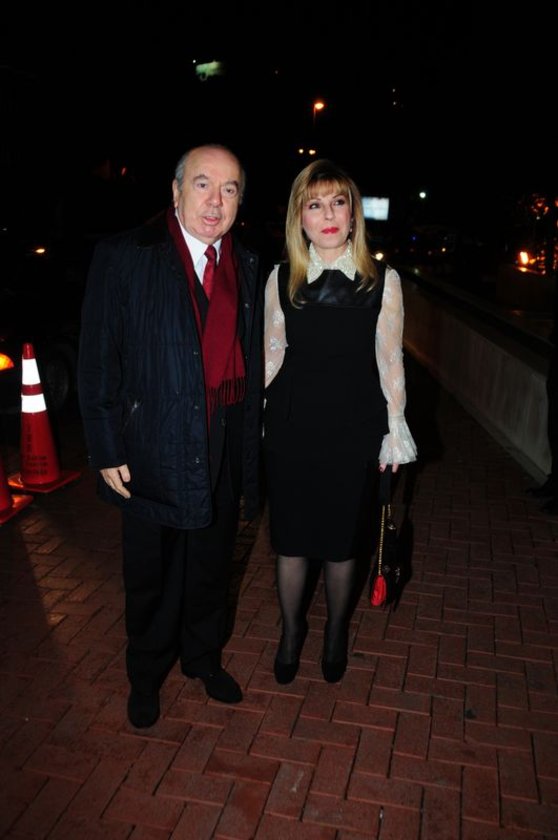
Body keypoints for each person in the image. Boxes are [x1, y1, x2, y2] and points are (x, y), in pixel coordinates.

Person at [78, 144, 263, 727]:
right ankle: (146, 673)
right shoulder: (125, 256)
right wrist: (105, 445)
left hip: (221, 441)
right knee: (151, 575)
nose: (215, 201)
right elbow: (97, 359)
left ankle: (202, 658)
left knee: (210, 567)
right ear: (177, 191)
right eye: (203, 184)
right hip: (150, 445)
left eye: (229, 189)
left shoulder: (247, 265)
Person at [263, 159, 417, 684]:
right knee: (290, 541)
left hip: (353, 430)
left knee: (340, 543)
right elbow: (270, 356)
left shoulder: (382, 281)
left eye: (337, 203)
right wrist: (255, 421)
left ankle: (334, 632)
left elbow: (390, 361)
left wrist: (394, 433)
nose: (327, 215)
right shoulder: (281, 278)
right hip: (292, 429)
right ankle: (291, 633)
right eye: (315, 205)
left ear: (353, 215)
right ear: (299, 218)